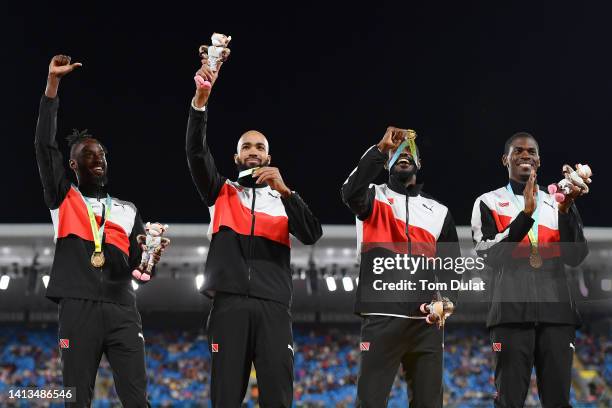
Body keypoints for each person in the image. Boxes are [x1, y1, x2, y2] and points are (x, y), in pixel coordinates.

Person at [185, 58, 322, 406]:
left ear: (269, 156)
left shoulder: (284, 199)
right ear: (236, 156)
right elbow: (196, 153)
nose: (253, 152)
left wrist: (287, 191)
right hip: (228, 304)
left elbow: (311, 234)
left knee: (277, 396)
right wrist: (200, 102)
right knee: (226, 396)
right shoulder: (221, 193)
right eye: (246, 146)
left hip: (274, 307)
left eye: (259, 147)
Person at [35, 54, 159, 407]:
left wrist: (150, 258)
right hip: (77, 308)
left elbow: (141, 268)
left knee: (138, 400)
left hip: (123, 308)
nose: (100, 158)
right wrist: (52, 85)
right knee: (76, 399)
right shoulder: (63, 199)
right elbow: (44, 146)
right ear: (73, 164)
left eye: (102, 153)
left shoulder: (127, 210)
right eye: (90, 154)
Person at [341, 127, 461, 407]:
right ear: (387, 163)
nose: (402, 155)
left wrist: (448, 301)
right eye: (396, 153)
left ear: (419, 163)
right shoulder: (371, 196)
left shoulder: (439, 211)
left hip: (427, 323)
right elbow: (348, 192)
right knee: (370, 402)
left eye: (409, 153)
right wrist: (380, 148)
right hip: (381, 316)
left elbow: (452, 266)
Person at [471, 132, 589, 407]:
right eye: (518, 150)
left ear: (538, 160)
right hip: (510, 316)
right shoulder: (487, 202)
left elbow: (576, 256)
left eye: (531, 151)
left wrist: (567, 210)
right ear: (505, 160)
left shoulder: (559, 201)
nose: (525, 155)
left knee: (558, 402)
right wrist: (525, 216)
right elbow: (488, 255)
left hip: (557, 316)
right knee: (509, 401)